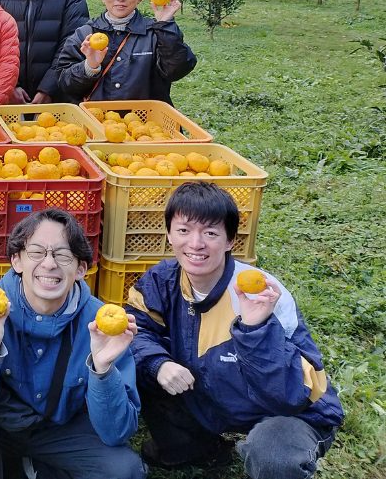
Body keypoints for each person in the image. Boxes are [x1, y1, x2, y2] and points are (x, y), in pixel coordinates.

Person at [126, 182, 344, 477]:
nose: (196, 243)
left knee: (274, 456)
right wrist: (158, 364)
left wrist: (255, 330)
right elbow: (136, 329)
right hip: (214, 393)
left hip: (289, 410)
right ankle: (196, 446)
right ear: (168, 234)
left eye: (211, 233)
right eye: (184, 230)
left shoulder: (262, 294)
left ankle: (274, 447)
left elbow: (291, 395)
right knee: (134, 365)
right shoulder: (161, 281)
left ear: (230, 241)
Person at [0, 209, 145, 479]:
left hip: (61, 431)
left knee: (122, 471)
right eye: (36, 252)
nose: (49, 264)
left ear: (80, 269)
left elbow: (117, 433)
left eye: (62, 254)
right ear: (16, 260)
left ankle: (40, 466)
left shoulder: (102, 326)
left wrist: (102, 370)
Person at [54, 0, 196, 105]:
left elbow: (177, 70)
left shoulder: (155, 33)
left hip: (146, 124)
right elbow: (64, 84)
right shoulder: (85, 35)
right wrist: (89, 66)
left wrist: (165, 25)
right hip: (97, 123)